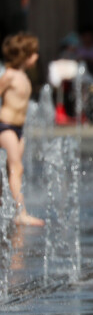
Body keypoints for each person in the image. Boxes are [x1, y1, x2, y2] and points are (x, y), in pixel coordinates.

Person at [0, 33, 45, 227]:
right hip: (6, 127)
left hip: (18, 129)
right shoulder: (9, 75)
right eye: (33, 53)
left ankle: (7, 208)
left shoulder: (24, 76)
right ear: (24, 55)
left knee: (12, 170)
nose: (36, 56)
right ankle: (21, 213)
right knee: (16, 168)